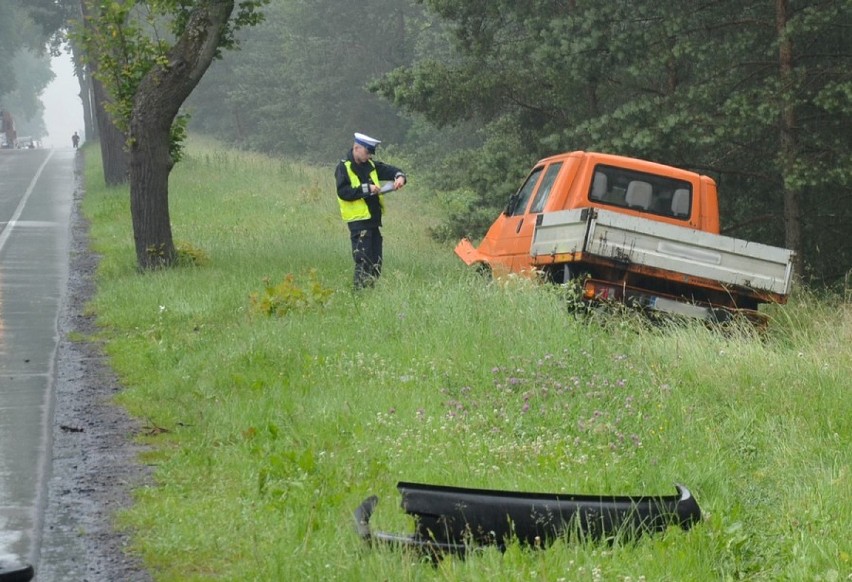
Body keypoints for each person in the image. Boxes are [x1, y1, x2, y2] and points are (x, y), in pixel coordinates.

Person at [335, 132, 407, 289]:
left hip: (374, 222)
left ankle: (370, 294)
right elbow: (343, 192)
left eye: (370, 153)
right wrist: (367, 188)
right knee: (363, 261)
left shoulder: (371, 165)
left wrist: (400, 177)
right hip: (359, 223)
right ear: (356, 148)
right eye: (367, 152)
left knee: (376, 263)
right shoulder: (344, 167)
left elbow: (393, 171)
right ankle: (359, 296)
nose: (369, 156)